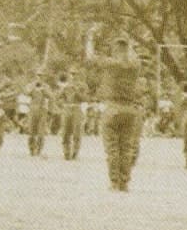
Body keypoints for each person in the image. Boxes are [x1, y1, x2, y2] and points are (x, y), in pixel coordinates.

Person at [90, 33, 142, 192]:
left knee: (112, 148)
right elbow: (135, 58)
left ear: (114, 50)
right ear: (127, 49)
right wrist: (131, 47)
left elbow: (91, 57)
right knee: (126, 149)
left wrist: (90, 39)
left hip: (112, 108)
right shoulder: (134, 66)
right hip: (130, 109)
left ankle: (114, 182)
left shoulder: (111, 64)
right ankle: (124, 182)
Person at [56, 69, 89, 161]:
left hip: (77, 109)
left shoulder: (82, 86)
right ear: (69, 75)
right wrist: (62, 90)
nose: (73, 76)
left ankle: (75, 152)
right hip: (67, 109)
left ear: (78, 75)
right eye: (71, 74)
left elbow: (85, 98)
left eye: (75, 74)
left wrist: (76, 91)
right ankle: (66, 153)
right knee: (65, 132)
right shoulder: (66, 86)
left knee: (76, 132)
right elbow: (58, 98)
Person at [25, 70, 52, 156]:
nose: (39, 77)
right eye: (38, 75)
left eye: (41, 76)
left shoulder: (46, 86)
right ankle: (32, 149)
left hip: (42, 110)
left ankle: (39, 149)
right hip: (33, 109)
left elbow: (50, 96)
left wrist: (43, 90)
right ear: (36, 75)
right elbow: (26, 92)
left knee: (41, 132)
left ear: (44, 76)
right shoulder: (31, 85)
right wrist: (33, 87)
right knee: (31, 131)